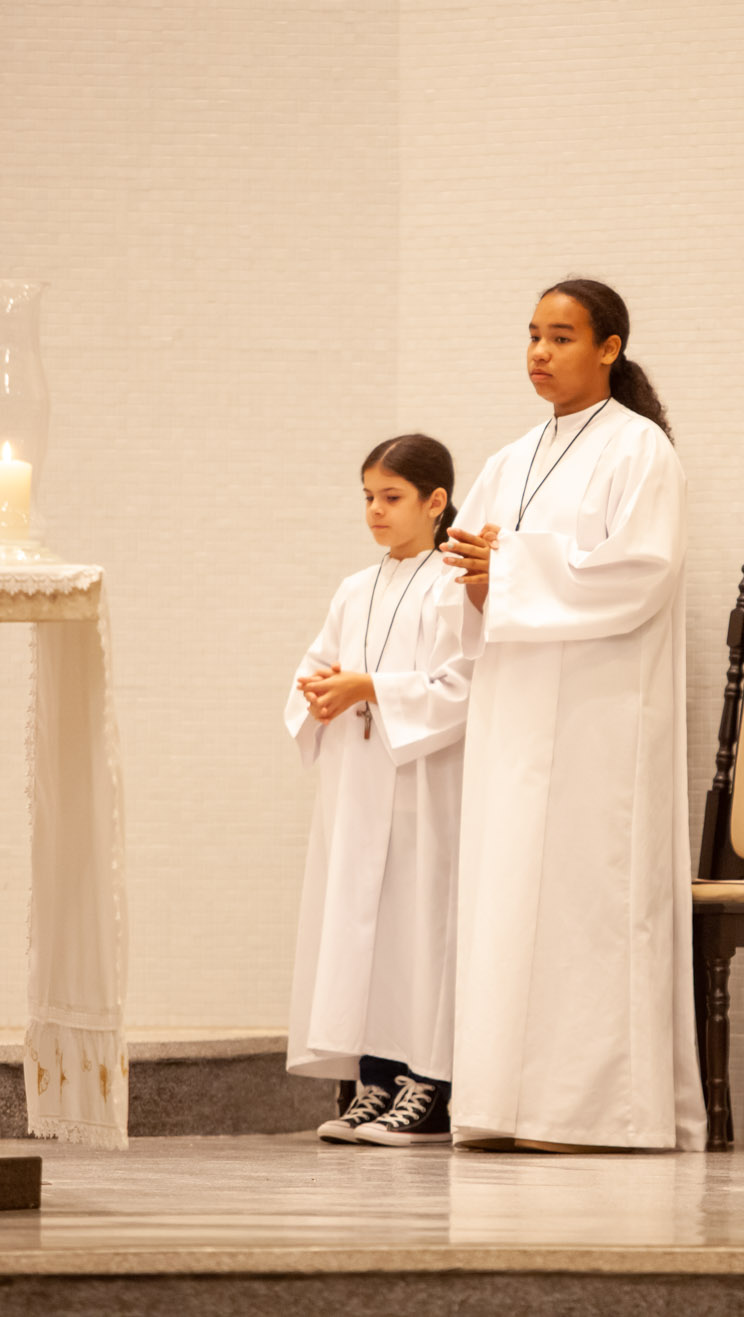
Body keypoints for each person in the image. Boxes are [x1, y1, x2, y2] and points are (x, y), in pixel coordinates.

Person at [439, 278, 705, 1152]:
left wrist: (510, 571)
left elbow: (641, 573)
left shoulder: (641, 451)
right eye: (532, 336)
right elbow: (468, 575)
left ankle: (593, 1111)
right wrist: (479, 580)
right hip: (515, 714)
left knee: (588, 903)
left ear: (610, 348)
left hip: (601, 718)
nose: (540, 353)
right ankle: (502, 1103)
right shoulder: (510, 460)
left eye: (561, 337)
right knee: (509, 896)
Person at [286, 434, 471, 1147]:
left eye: (391, 497)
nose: (375, 511)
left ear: (436, 501)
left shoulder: (456, 584)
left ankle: (430, 1083)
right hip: (359, 786)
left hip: (424, 784)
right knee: (362, 929)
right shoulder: (354, 589)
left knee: (417, 928)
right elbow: (316, 666)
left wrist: (371, 689)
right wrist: (319, 692)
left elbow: (462, 685)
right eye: (367, 496)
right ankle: (376, 1077)